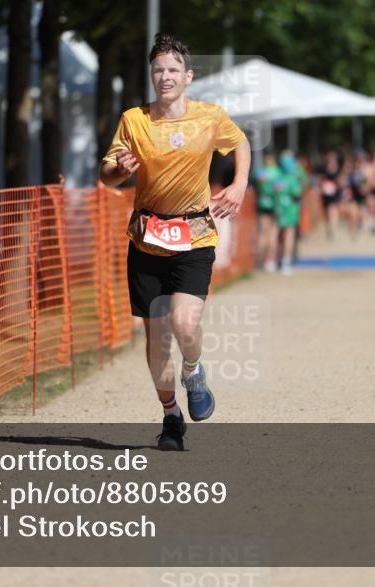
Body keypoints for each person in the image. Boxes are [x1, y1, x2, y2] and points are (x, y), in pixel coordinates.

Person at [99, 33, 251, 449]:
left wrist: (238, 186)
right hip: (147, 239)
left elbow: (240, 144)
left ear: (188, 75)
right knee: (156, 342)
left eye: (172, 70)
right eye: (158, 70)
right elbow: (108, 173)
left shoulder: (209, 117)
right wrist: (120, 170)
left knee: (185, 323)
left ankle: (194, 370)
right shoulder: (134, 120)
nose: (164, 77)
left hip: (195, 234)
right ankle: (170, 417)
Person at [273, 150, 305, 274]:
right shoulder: (293, 178)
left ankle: (274, 260)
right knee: (288, 235)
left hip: (278, 208)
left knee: (277, 234)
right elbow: (298, 193)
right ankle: (285, 262)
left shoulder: (277, 177)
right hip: (291, 209)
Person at [255, 152, 281, 272]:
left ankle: (259, 261)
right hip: (275, 205)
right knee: (273, 234)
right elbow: (278, 189)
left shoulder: (260, 172)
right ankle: (270, 261)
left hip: (262, 204)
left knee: (262, 234)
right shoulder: (278, 173)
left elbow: (257, 186)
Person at [316, 149, 344, 241]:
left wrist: (335, 184)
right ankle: (329, 229)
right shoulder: (323, 169)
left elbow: (341, 182)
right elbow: (319, 181)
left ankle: (332, 230)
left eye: (333, 158)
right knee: (327, 213)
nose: (331, 160)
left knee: (332, 211)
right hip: (325, 195)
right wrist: (322, 186)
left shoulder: (339, 169)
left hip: (335, 194)